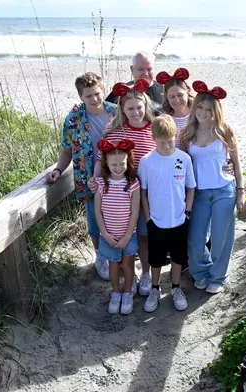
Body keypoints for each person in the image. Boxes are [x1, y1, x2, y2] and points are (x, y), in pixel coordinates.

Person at [179, 80, 246, 294]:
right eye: (199, 107)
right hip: (199, 193)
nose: (203, 112)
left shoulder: (225, 131)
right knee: (195, 239)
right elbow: (183, 165)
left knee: (221, 238)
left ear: (216, 111)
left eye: (209, 109)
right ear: (194, 107)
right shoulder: (187, 134)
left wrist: (241, 192)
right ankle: (201, 273)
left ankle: (218, 277)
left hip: (223, 191)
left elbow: (236, 163)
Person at [46, 71, 116, 281]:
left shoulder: (116, 113)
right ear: (80, 97)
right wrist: (58, 170)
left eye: (97, 94)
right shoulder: (73, 120)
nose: (94, 99)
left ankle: (120, 257)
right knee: (94, 221)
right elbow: (67, 150)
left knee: (118, 216)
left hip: (116, 174)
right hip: (88, 177)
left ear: (103, 90)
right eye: (88, 96)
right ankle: (100, 257)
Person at [91, 79, 156, 297]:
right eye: (130, 108)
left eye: (139, 107)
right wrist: (95, 179)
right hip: (121, 192)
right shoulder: (115, 129)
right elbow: (102, 158)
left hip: (148, 193)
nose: (136, 112)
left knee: (145, 235)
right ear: (122, 109)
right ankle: (129, 274)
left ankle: (146, 272)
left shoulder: (154, 128)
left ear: (145, 105)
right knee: (126, 232)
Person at [138, 116, 196, 312]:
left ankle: (176, 287)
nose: (166, 145)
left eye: (170, 141)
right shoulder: (147, 161)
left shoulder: (184, 158)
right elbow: (143, 193)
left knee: (178, 257)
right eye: (162, 142)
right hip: (156, 221)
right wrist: (148, 219)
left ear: (175, 136)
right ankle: (155, 288)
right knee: (155, 258)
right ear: (153, 138)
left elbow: (190, 188)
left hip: (179, 219)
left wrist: (187, 213)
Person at [94, 139, 141, 314]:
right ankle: (115, 293)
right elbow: (98, 212)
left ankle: (127, 292)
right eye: (114, 164)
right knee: (113, 265)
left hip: (128, 234)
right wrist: (105, 234)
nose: (118, 167)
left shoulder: (133, 184)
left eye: (122, 163)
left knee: (128, 264)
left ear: (127, 161)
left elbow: (135, 213)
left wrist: (127, 236)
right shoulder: (101, 184)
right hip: (109, 235)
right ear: (106, 162)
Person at [155, 67, 194, 147]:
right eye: (172, 97)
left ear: (187, 91)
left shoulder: (198, 113)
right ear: (166, 97)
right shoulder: (164, 119)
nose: (177, 100)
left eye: (180, 95)